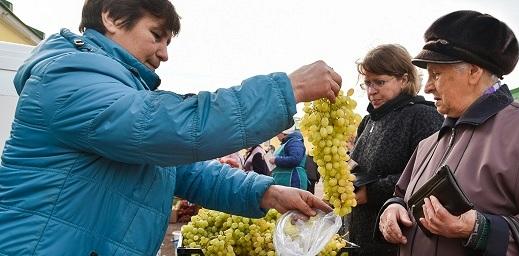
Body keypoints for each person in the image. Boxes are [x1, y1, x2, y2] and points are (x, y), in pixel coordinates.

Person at [0, 0, 339, 254]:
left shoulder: (118, 89)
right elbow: (171, 126)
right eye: (156, 35)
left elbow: (182, 170)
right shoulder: (68, 77)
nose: (164, 54)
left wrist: (265, 192)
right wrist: (287, 90)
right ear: (111, 17)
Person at [377, 10, 519, 255]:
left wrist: (481, 229)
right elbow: (400, 194)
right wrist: (393, 207)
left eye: (437, 74)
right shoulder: (430, 142)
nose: (428, 86)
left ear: (474, 72)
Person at [347, 44, 443, 255]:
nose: (372, 91)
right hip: (360, 235)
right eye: (368, 83)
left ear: (404, 79)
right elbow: (360, 168)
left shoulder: (423, 116)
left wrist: (371, 193)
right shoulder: (368, 121)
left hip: (397, 241)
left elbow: (430, 178)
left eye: (379, 82)